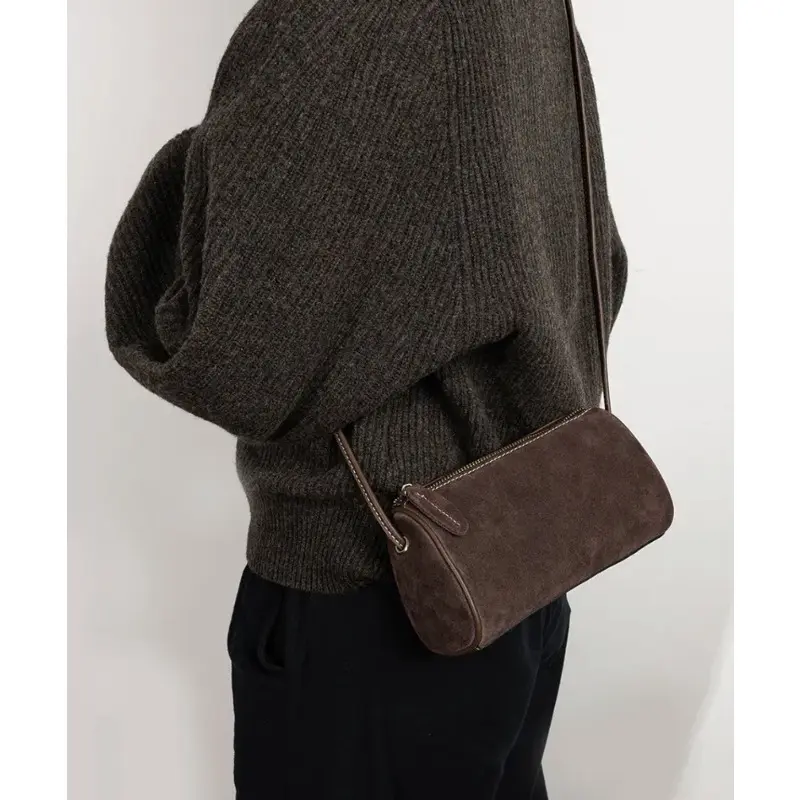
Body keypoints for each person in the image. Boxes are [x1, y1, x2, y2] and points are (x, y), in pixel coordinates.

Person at [104, 1, 628, 797]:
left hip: (380, 601)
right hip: (515, 572)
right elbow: (594, 269)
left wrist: (221, 155)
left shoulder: (357, 18)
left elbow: (235, 358)